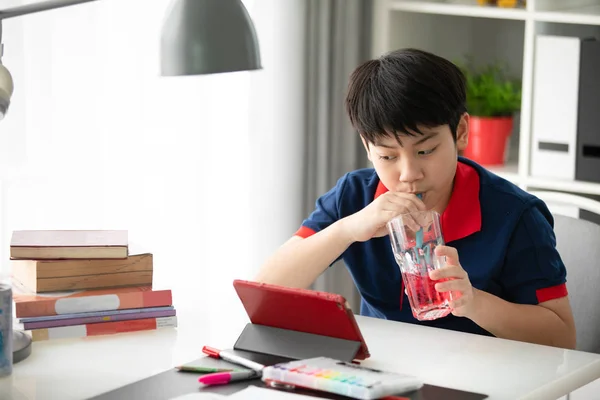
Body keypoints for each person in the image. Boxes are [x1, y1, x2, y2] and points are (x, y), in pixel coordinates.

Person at [254, 48, 576, 349]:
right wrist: (349, 229)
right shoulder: (354, 197)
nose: (408, 173)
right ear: (368, 148)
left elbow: (563, 338)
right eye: (387, 157)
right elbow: (264, 291)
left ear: (461, 131)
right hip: (382, 374)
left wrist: (475, 304)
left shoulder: (515, 216)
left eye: (425, 151)